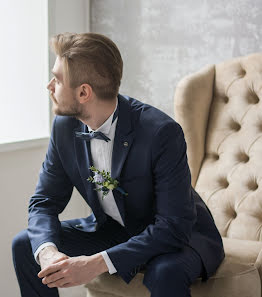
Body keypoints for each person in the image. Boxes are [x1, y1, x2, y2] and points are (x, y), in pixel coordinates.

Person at [11, 32, 224, 297]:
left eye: (58, 79)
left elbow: (174, 226)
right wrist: (48, 252)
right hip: (115, 229)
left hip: (182, 236)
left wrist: (97, 263)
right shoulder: (64, 127)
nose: (49, 85)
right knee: (25, 244)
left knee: (164, 273)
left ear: (84, 92)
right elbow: (44, 201)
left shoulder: (161, 133)